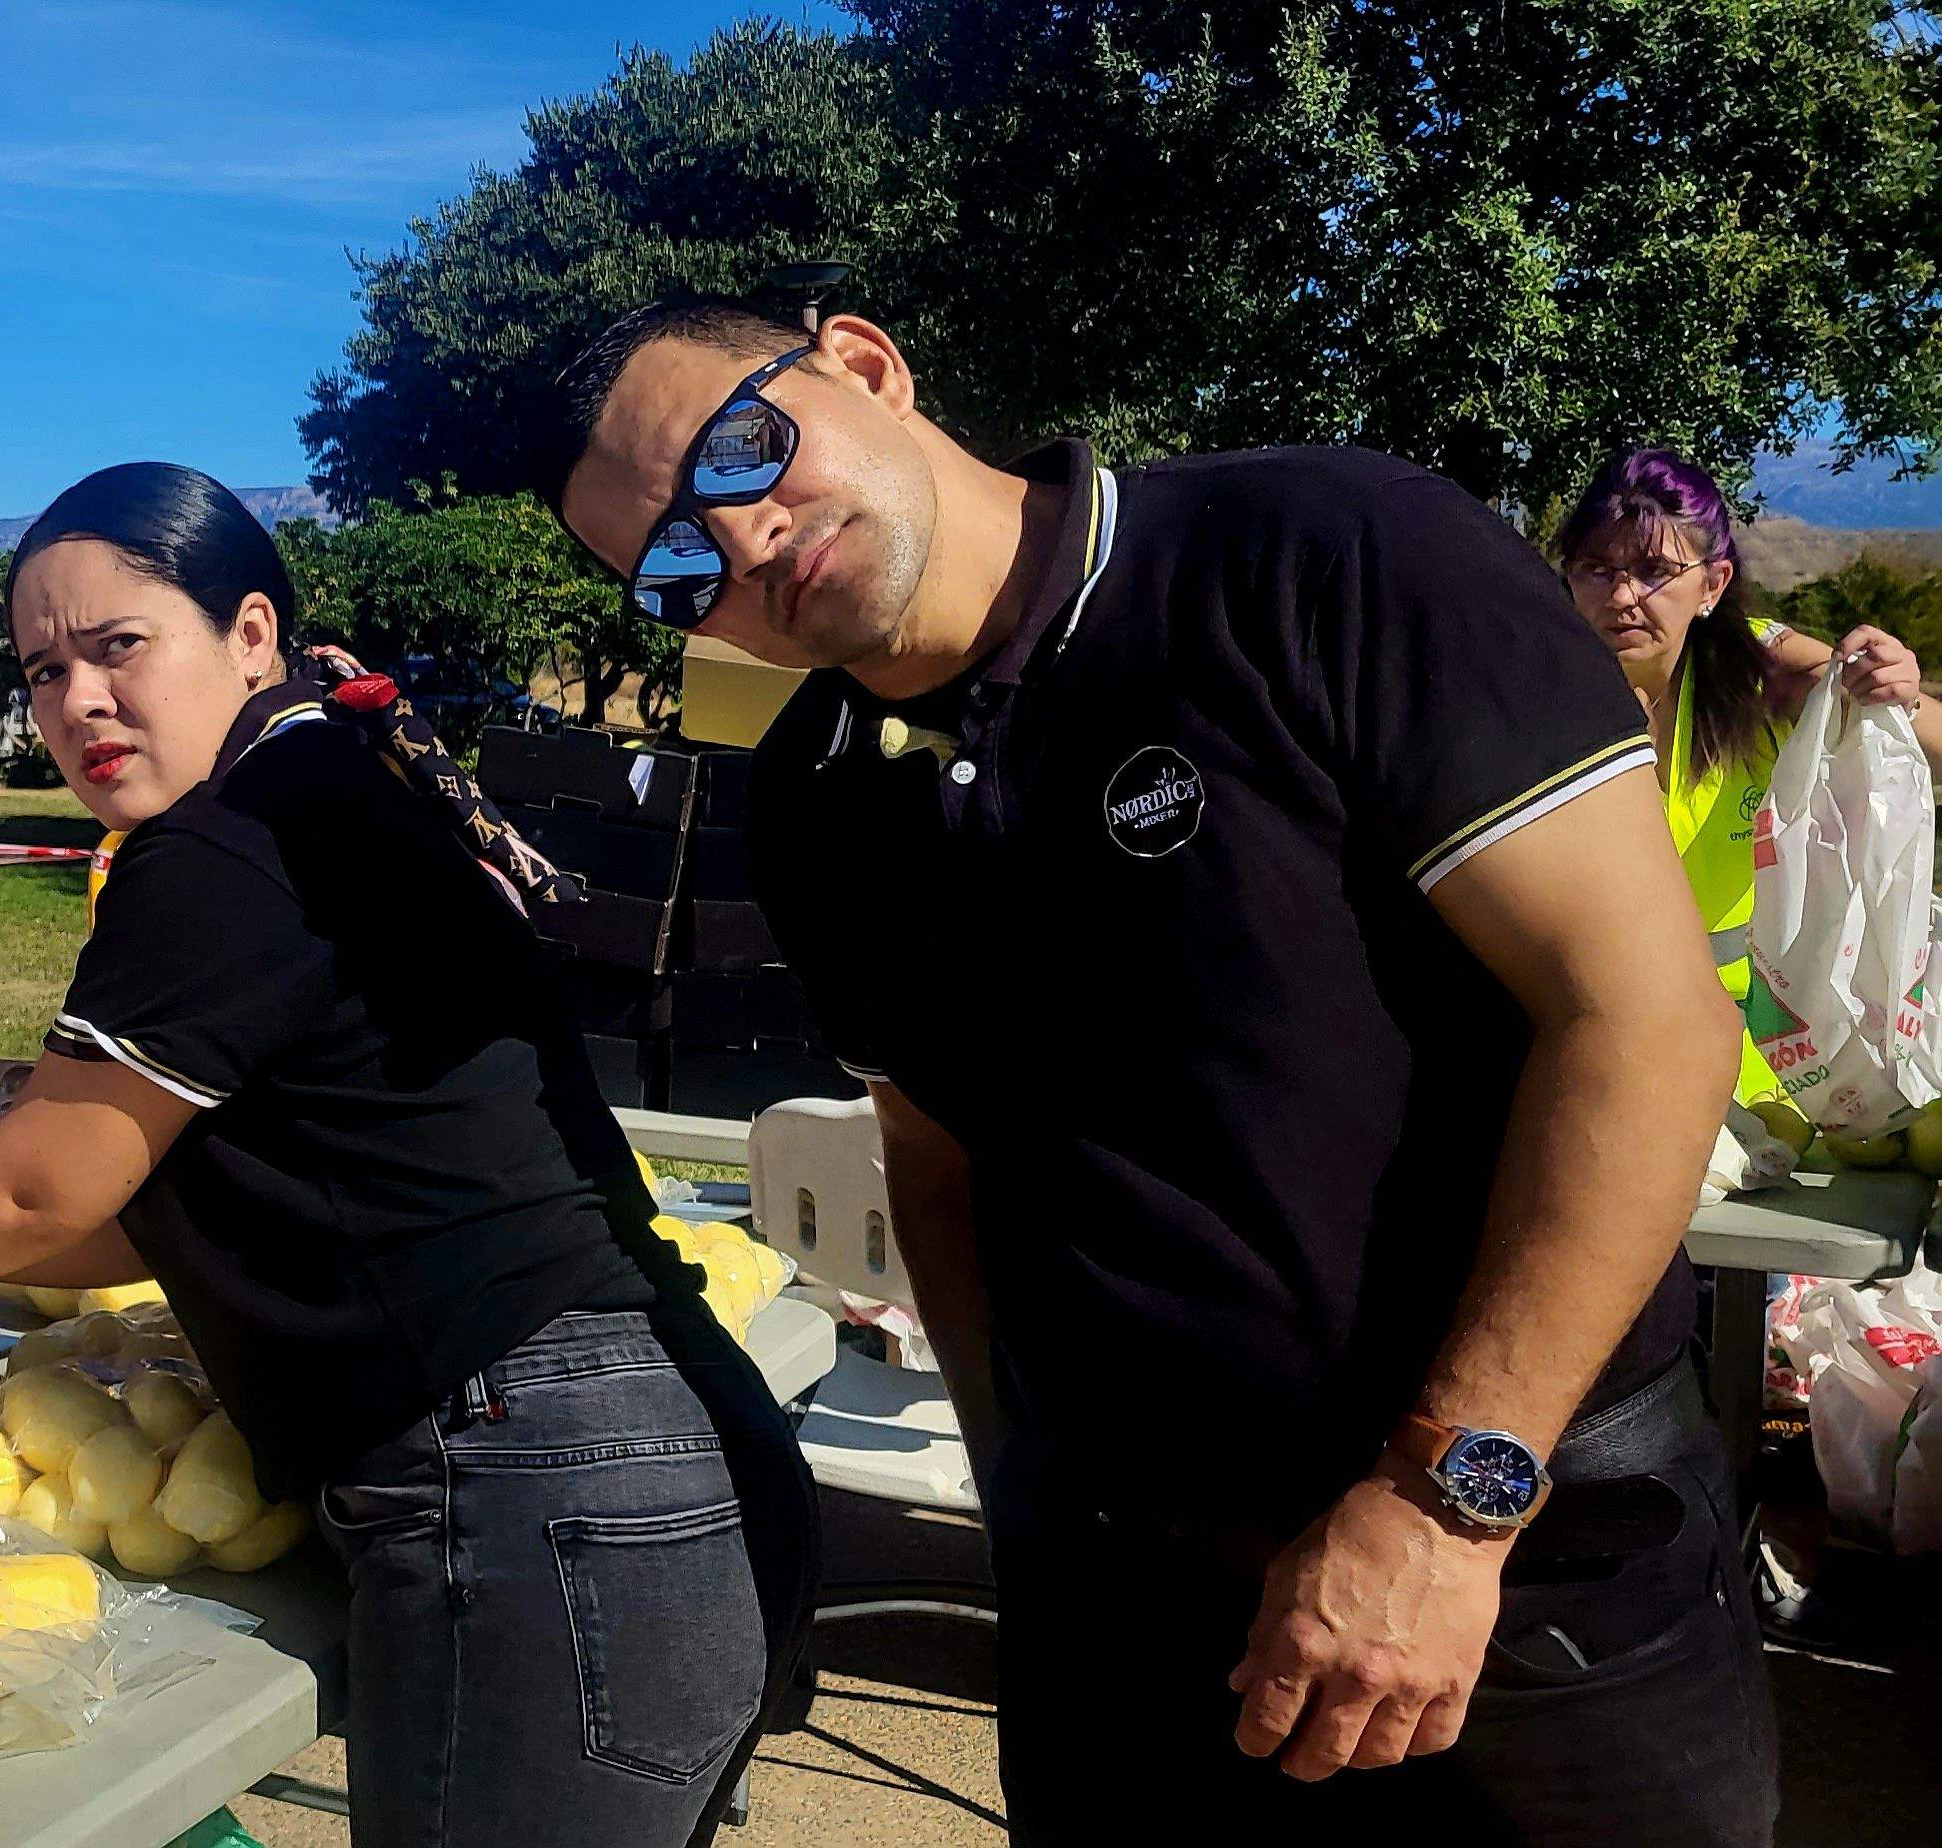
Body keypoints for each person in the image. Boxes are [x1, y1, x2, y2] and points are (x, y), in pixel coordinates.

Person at [543, 297, 1776, 1841]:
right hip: (1133, 1616)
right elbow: (937, 1152)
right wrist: (1027, 1517)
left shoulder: (1328, 548)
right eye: (672, 562)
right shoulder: (813, 800)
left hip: (1522, 1565)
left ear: (864, 360)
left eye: (741, 446)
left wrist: (1441, 1508)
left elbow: (1648, 1019)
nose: (736, 534)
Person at [0, 463, 816, 1848]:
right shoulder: (327, 786)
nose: (76, 701)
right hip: (629, 1466)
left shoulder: (233, 839)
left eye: (118, 647)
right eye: (42, 671)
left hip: (530, 1484)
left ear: (254, 634)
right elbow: (159, 1207)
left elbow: (44, 1185)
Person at [1549, 446, 1931, 1111]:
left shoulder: (1761, 673)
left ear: (1714, 584)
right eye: (1596, 569)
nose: (1623, 596)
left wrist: (1897, 687)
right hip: (1580, 1037)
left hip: (1761, 1055)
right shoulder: (1529, 691)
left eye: (1654, 571)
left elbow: (1903, 723)